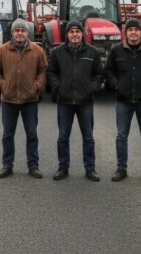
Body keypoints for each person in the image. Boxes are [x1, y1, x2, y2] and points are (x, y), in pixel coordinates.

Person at [105, 17, 141, 183]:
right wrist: (116, 85)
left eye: (136, 29)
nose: (133, 32)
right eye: (130, 29)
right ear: (126, 32)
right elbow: (109, 71)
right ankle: (121, 168)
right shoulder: (116, 51)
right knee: (121, 136)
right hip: (123, 101)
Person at [0, 18, 48, 179]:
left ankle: (33, 165)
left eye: (23, 30)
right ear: (12, 33)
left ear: (27, 33)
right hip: (8, 99)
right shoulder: (2, 50)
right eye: (17, 30)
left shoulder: (37, 50)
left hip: (30, 99)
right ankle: (7, 165)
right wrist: (2, 85)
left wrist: (36, 87)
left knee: (32, 134)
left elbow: (43, 70)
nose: (20, 33)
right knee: (8, 135)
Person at [47, 20, 103, 181]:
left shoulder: (92, 52)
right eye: (71, 32)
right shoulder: (57, 52)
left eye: (77, 32)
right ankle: (63, 167)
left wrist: (92, 88)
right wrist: (58, 88)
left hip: (85, 102)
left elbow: (99, 74)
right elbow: (51, 72)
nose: (74, 35)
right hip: (64, 102)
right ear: (67, 35)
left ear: (82, 34)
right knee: (63, 137)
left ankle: (90, 168)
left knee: (88, 138)